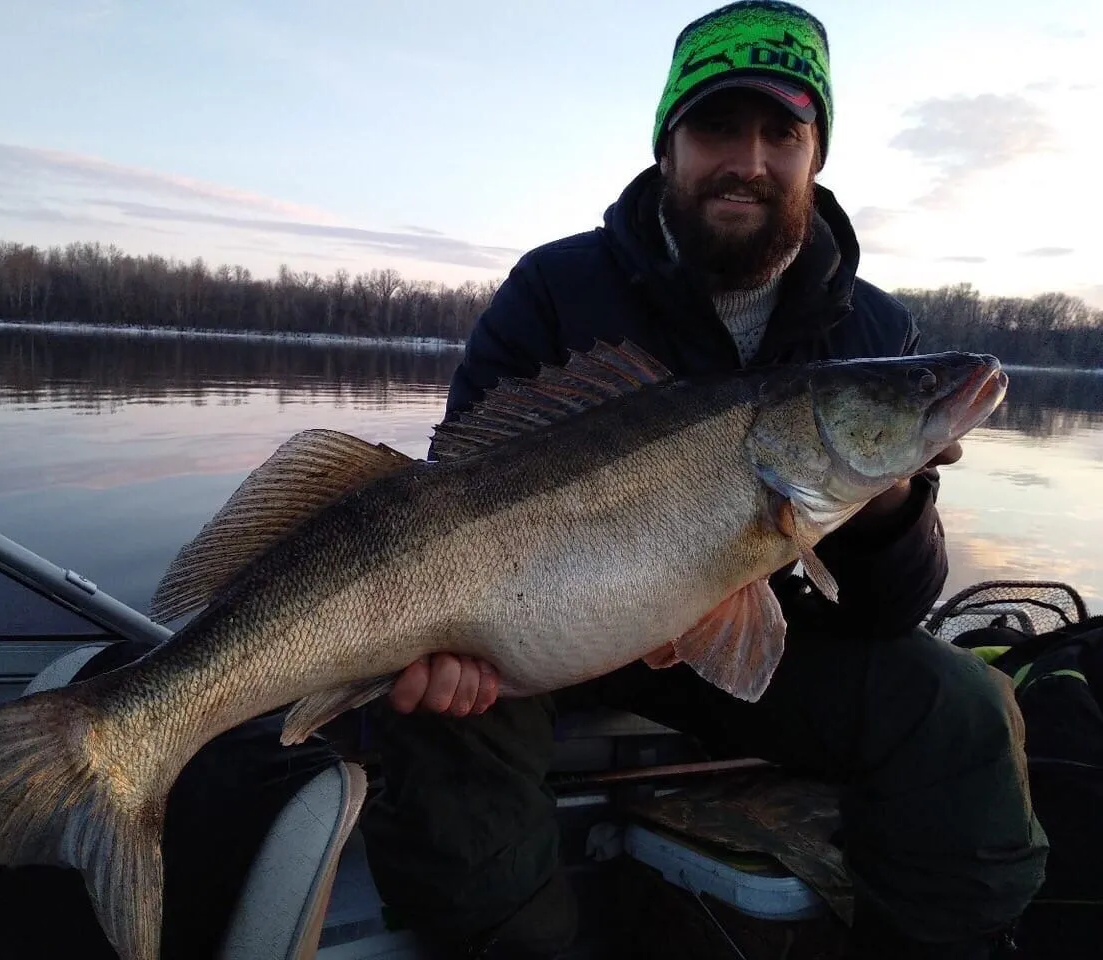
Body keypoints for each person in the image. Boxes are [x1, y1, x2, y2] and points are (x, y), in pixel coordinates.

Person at [358, 2, 1049, 958]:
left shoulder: (874, 333)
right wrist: (445, 641)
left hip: (746, 643)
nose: (749, 160)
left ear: (816, 153)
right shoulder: (557, 289)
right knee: (435, 729)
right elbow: (452, 493)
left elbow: (889, 610)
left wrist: (887, 501)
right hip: (534, 627)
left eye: (783, 132)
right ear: (668, 145)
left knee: (959, 708)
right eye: (717, 127)